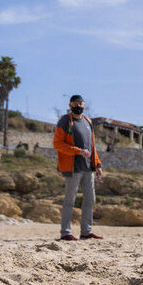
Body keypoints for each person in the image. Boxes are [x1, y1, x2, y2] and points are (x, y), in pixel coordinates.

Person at [52, 94, 103, 241]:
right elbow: (57, 144)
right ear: (70, 105)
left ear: (84, 105)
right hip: (73, 168)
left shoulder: (88, 121)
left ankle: (86, 232)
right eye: (75, 104)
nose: (78, 106)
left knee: (90, 199)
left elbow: (92, 146)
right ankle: (65, 233)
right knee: (70, 200)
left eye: (80, 104)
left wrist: (98, 164)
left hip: (88, 168)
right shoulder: (65, 121)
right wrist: (77, 151)